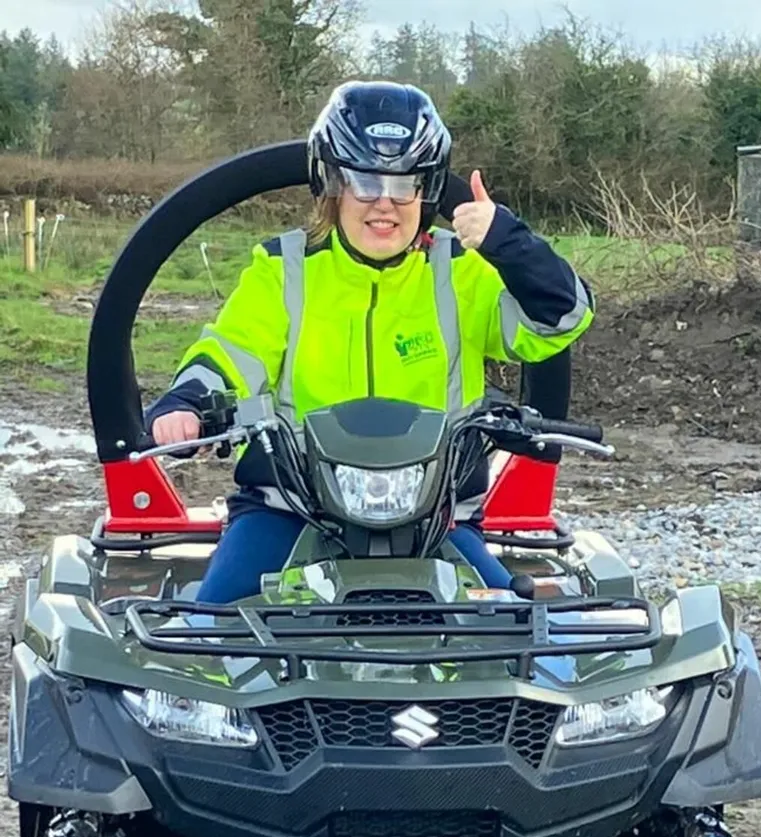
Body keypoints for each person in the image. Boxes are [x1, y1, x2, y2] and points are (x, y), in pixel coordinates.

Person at [144, 80, 594, 603]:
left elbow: (561, 319)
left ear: (425, 190)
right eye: (365, 182)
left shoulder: (462, 274)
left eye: (405, 185)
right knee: (215, 628)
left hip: (433, 517)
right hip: (289, 509)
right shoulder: (285, 270)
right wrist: (189, 401)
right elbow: (231, 351)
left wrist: (509, 243)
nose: (386, 203)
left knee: (510, 639)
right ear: (332, 183)